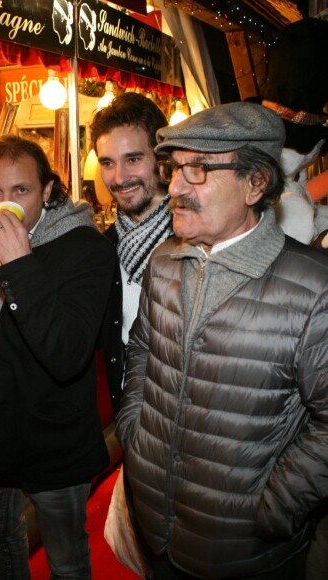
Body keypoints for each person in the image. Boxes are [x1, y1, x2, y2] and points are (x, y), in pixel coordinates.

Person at [116, 102, 328, 579]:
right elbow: (142, 352)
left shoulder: (315, 287)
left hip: (244, 551)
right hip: (155, 528)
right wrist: (135, 437)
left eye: (199, 169)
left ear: (256, 184)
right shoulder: (165, 261)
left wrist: (272, 508)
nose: (173, 187)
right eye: (173, 169)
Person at [0, 134, 115, 579]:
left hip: (53, 436)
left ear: (48, 190)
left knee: (66, 558)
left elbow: (67, 352)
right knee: (1, 541)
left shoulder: (85, 247)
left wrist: (17, 263)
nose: (5, 202)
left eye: (21, 191)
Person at [89, 91, 172, 413]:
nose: (119, 178)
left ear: (161, 159)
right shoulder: (102, 248)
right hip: (129, 411)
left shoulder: (195, 241)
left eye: (133, 159)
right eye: (108, 163)